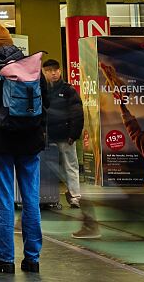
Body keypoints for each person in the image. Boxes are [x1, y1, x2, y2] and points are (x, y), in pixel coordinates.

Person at [0, 25, 49, 275]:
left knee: (3, 200)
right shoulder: (30, 63)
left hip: (1, 142)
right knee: (31, 200)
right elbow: (45, 101)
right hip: (30, 140)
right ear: (12, 42)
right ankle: (32, 259)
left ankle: (4, 259)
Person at [42, 59, 83, 208]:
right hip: (47, 136)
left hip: (66, 136)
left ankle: (74, 196)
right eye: (49, 70)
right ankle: (48, 197)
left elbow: (77, 113)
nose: (53, 73)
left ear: (60, 71)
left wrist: (74, 133)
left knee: (70, 166)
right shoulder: (41, 90)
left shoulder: (68, 90)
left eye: (55, 70)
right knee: (48, 168)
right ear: (44, 72)